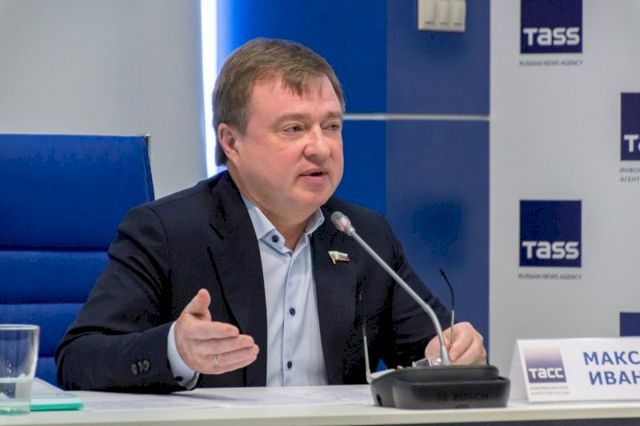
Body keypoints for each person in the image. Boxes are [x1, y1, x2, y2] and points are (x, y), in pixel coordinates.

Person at [55, 38, 486, 392]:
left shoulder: (363, 235)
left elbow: (428, 347)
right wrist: (176, 350)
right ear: (231, 142)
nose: (320, 147)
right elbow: (78, 359)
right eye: (293, 129)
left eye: (331, 126)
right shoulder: (168, 232)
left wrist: (451, 352)